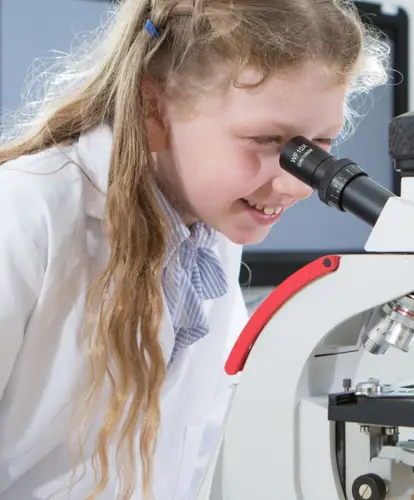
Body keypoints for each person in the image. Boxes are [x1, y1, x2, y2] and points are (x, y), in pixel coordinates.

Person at [0, 0, 388, 498]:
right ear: (153, 107)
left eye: (320, 145)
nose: (297, 185)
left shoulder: (207, 235)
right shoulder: (25, 212)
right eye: (268, 140)